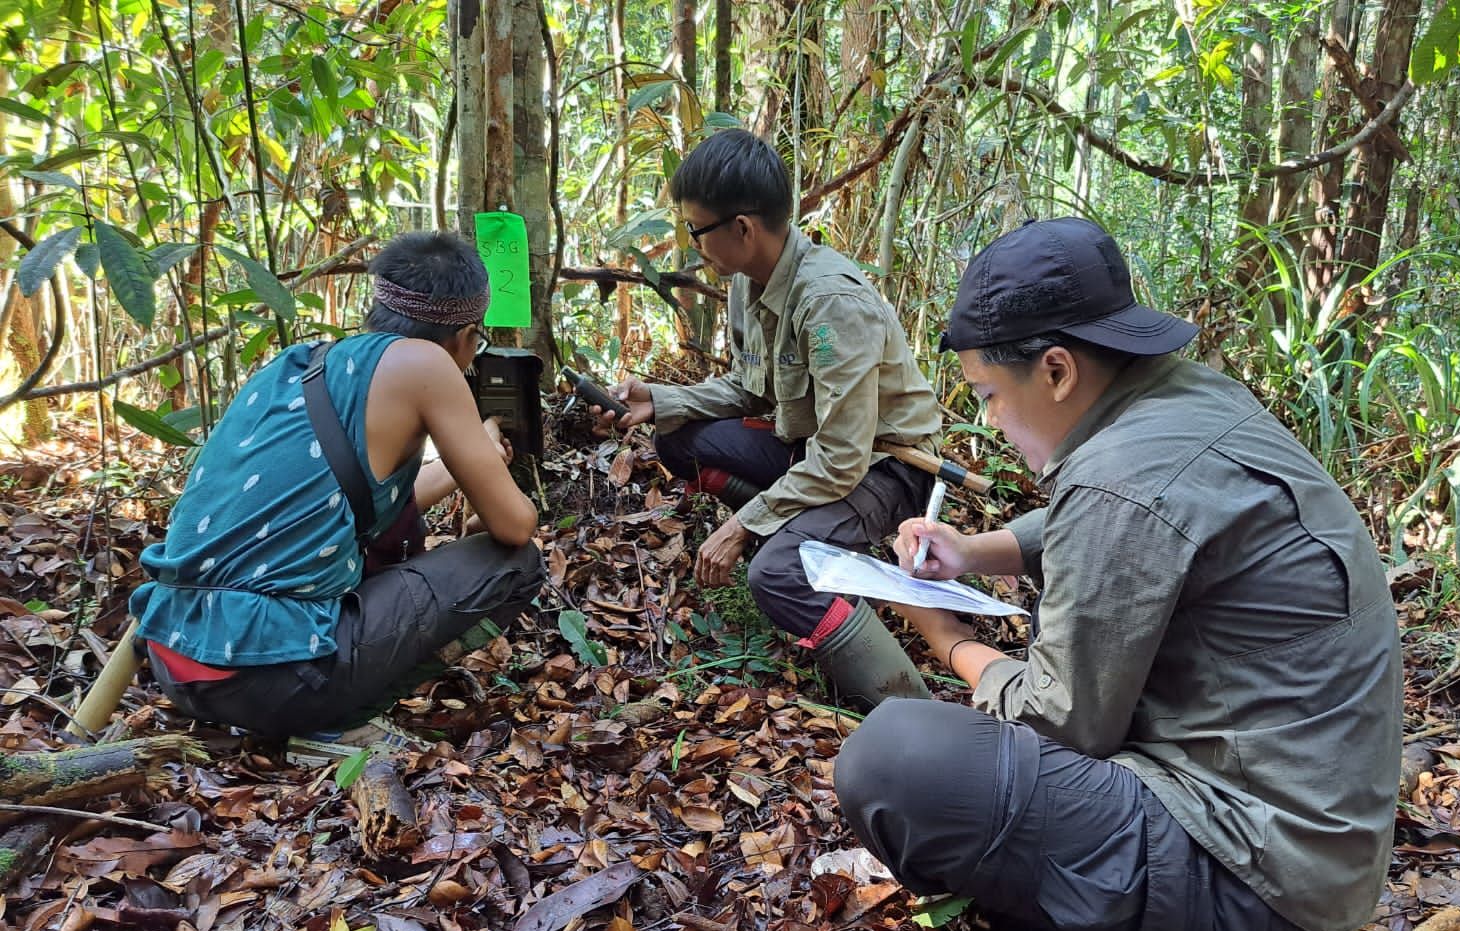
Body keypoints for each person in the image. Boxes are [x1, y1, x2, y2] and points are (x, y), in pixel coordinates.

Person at [833, 217, 1403, 931]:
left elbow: (1058, 723)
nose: (994, 420)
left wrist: (946, 639)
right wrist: (976, 552)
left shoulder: (1122, 476)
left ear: (1058, 371)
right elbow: (1116, 518)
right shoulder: (1184, 400)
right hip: (1310, 840)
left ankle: (1046, 930)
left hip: (1249, 877)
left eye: (991, 395)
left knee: (891, 761)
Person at [131, 231, 545, 740]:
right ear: (465, 334)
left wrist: (470, 464)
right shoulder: (427, 362)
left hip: (177, 663)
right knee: (519, 567)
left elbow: (353, 506)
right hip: (273, 681)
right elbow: (515, 526)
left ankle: (308, 707)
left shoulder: (304, 365)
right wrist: (489, 465)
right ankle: (341, 722)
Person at [594, 129, 942, 708]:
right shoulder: (747, 285)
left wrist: (745, 524)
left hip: (888, 469)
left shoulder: (830, 302)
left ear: (743, 228)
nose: (693, 245)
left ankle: (906, 701)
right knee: (681, 443)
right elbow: (751, 388)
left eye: (696, 230)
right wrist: (660, 400)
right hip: (813, 451)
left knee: (775, 574)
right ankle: (800, 536)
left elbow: (843, 458)